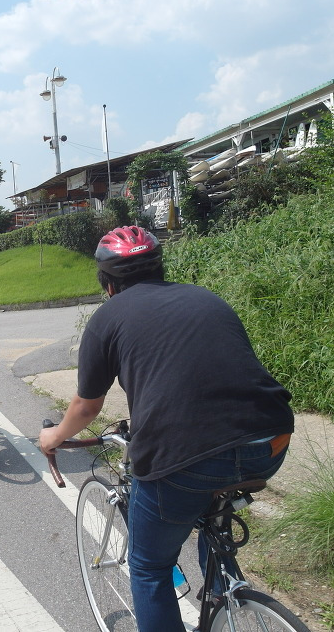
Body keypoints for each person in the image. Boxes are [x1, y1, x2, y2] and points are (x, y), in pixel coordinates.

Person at [38, 226, 294, 632]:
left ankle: (217, 598)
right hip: (271, 439)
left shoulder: (107, 319)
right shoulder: (207, 298)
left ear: (107, 284)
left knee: (149, 567)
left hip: (184, 457)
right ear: (160, 268)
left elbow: (86, 406)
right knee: (210, 503)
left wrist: (54, 437)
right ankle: (224, 593)